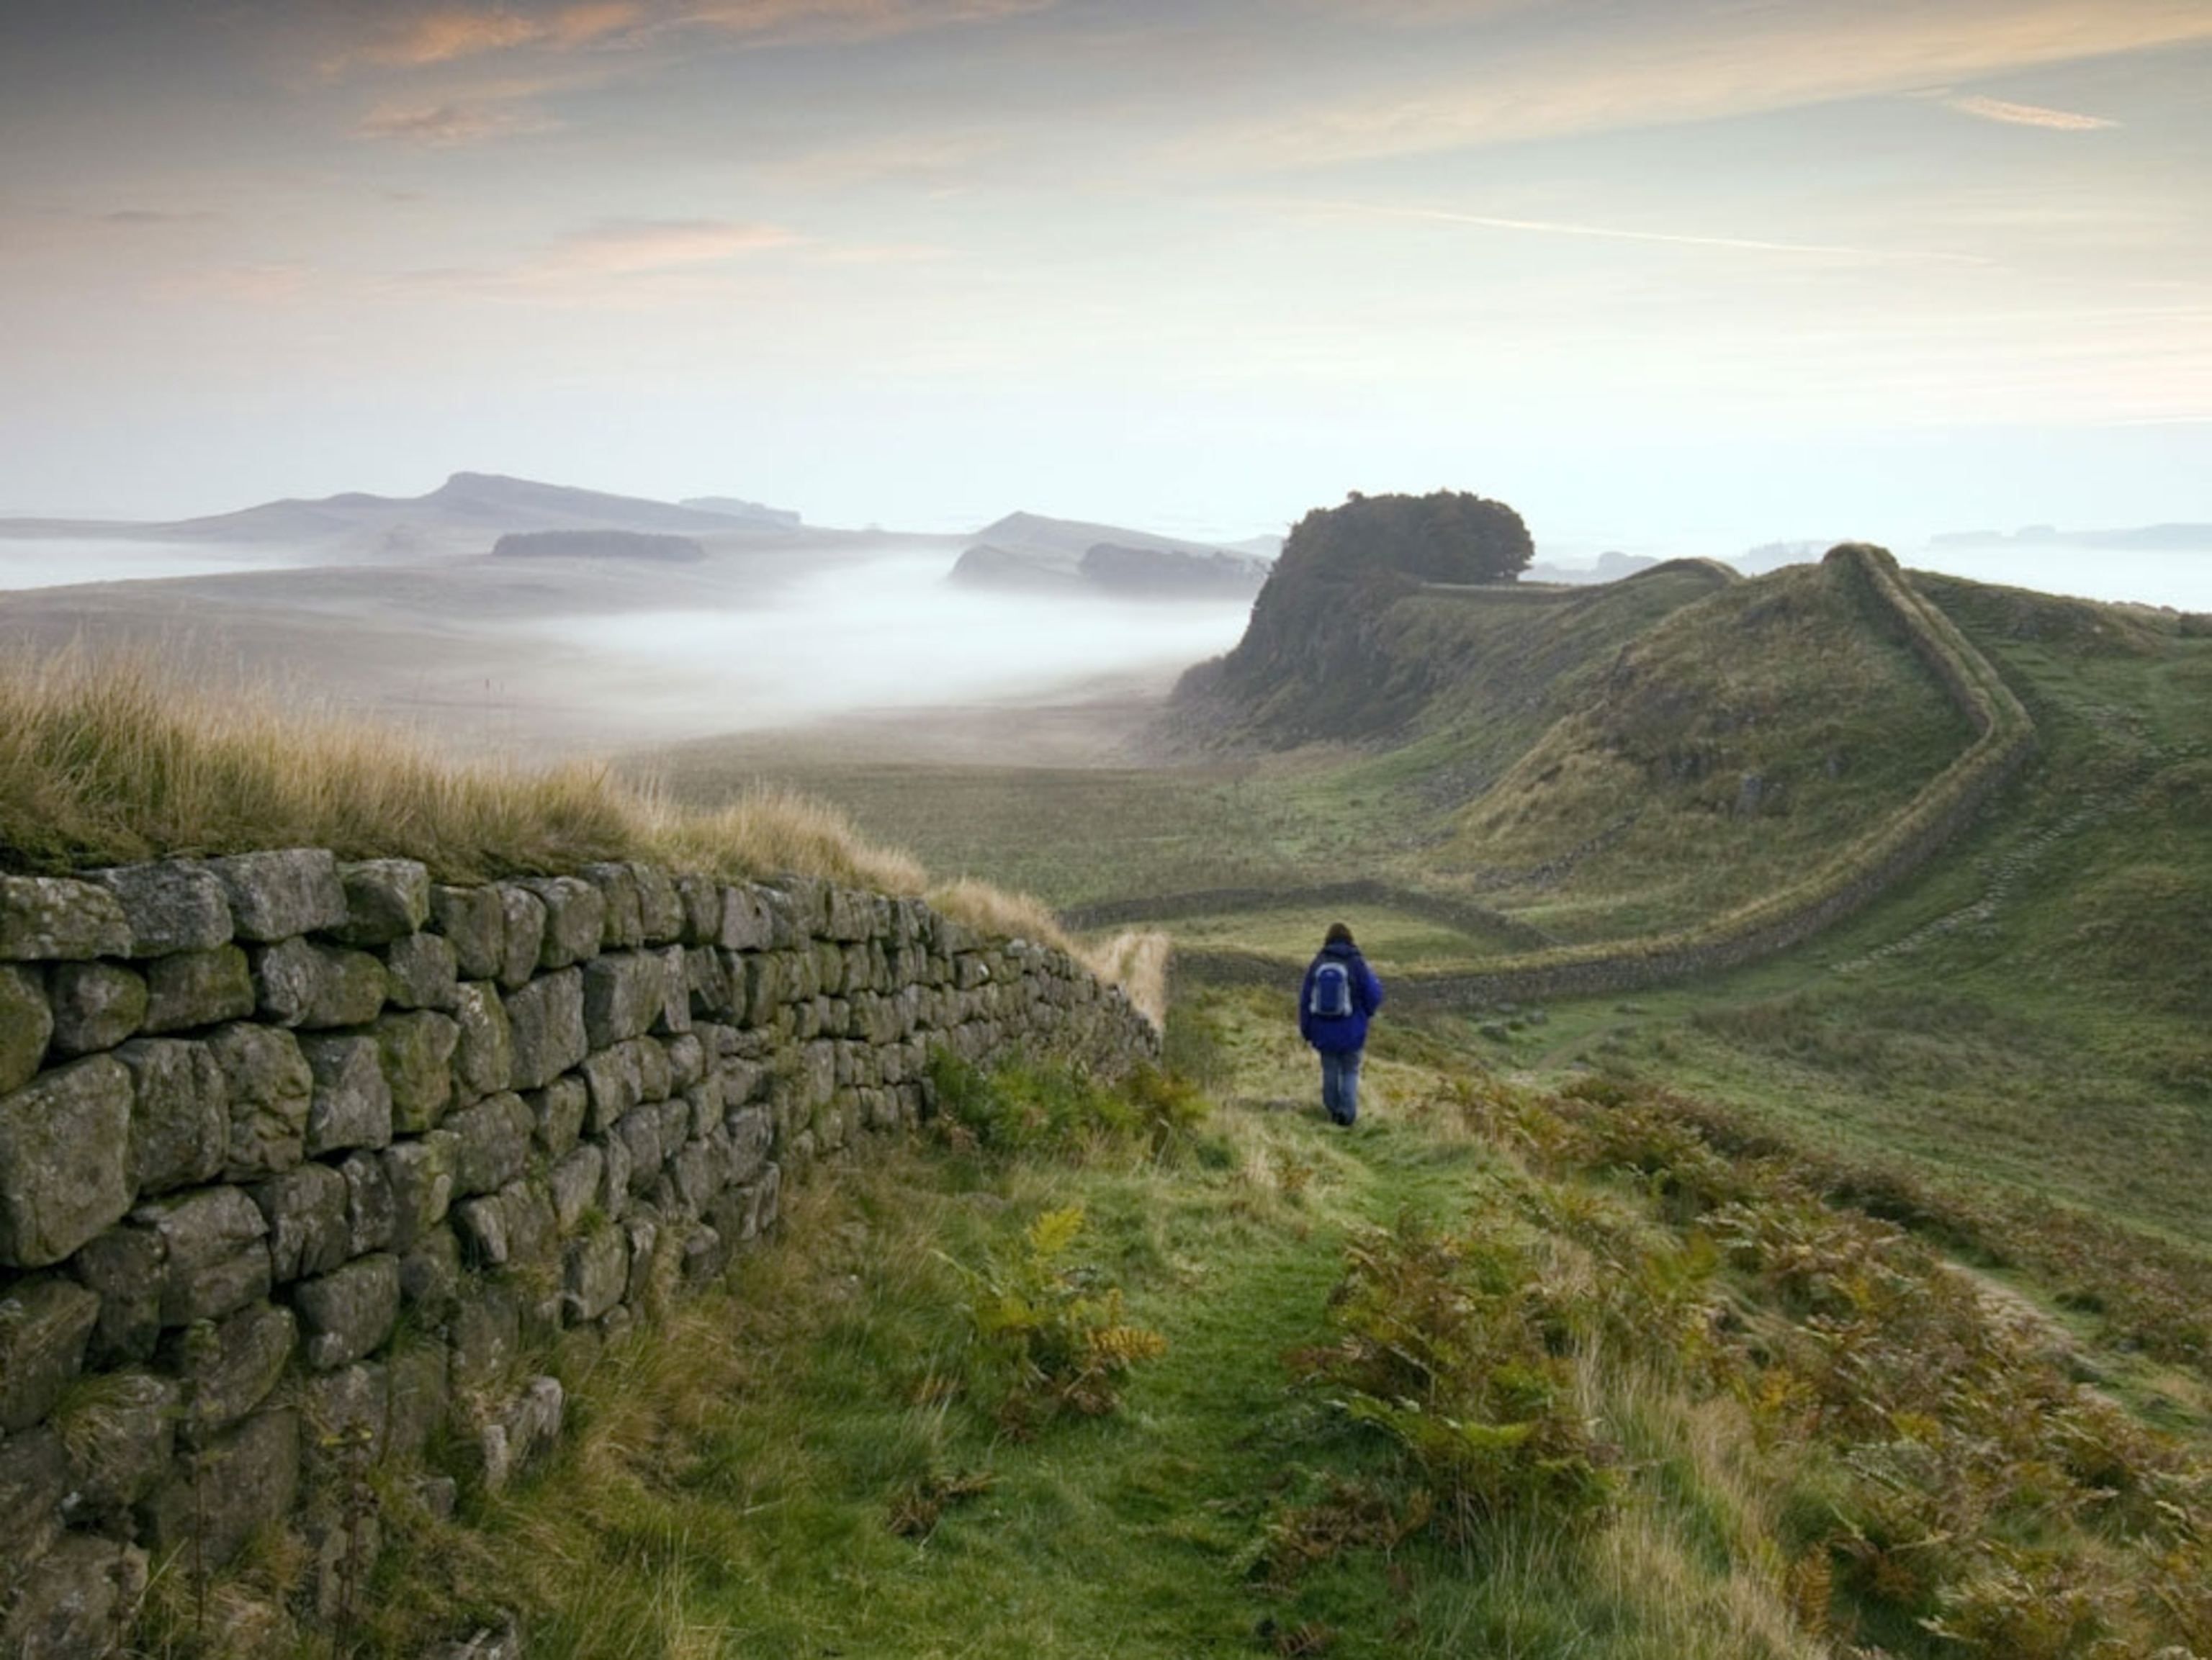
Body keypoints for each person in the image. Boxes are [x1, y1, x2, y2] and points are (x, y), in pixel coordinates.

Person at [1298, 921, 1383, 1126]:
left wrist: (1306, 1029)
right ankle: (1347, 1114)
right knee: (1350, 1071)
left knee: (1329, 1070)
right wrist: (1366, 1013)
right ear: (1350, 938)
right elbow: (1373, 994)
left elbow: (1305, 998)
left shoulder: (1318, 962)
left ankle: (1333, 1110)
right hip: (1352, 1029)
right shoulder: (1357, 962)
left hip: (1323, 1030)